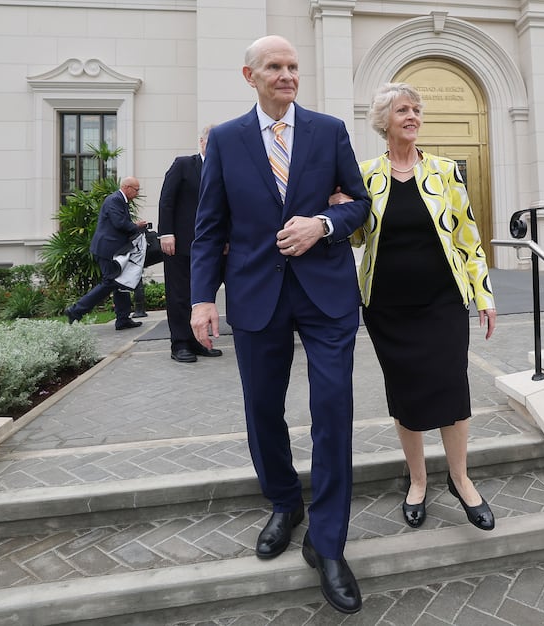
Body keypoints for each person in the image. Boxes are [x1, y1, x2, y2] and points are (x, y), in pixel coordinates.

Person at [189, 35, 370, 614]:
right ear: (250, 76)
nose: (288, 75)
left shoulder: (329, 129)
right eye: (275, 67)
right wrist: (200, 300)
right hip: (255, 294)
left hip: (326, 295)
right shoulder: (224, 140)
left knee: (333, 407)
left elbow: (359, 204)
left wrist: (323, 222)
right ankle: (284, 501)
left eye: (293, 66)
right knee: (262, 408)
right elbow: (209, 228)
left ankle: (329, 540)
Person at [330, 83, 497, 532]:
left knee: (451, 387)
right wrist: (340, 209)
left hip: (442, 301)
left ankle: (461, 479)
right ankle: (418, 481)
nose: (412, 116)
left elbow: (467, 237)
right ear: (384, 120)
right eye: (403, 109)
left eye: (416, 109)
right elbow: (358, 239)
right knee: (405, 393)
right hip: (388, 306)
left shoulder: (445, 172)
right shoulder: (365, 175)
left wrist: (483, 295)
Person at [158, 124, 224, 363]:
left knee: (202, 296)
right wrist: (166, 233)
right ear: (202, 142)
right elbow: (166, 200)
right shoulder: (184, 164)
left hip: (211, 247)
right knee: (179, 295)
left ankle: (199, 342)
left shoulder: (224, 169)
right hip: (180, 243)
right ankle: (180, 344)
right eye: (211, 141)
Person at [65, 177, 148, 330]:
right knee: (110, 282)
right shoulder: (115, 200)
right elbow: (119, 223)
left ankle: (122, 319)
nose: (137, 193)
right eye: (136, 190)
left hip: (112, 249)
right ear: (127, 187)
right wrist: (136, 226)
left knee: (120, 282)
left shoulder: (119, 200)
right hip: (107, 249)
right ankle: (76, 310)